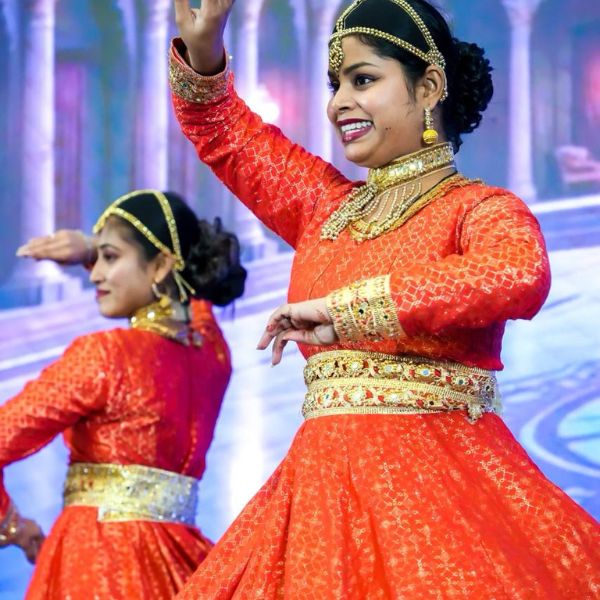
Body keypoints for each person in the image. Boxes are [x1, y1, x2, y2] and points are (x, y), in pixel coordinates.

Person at [169, 0, 600, 597]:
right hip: (318, 507)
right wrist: (205, 52)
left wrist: (349, 310)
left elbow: (517, 273)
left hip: (444, 502)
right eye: (335, 85)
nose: (337, 103)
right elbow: (226, 133)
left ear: (428, 88)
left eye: (363, 80)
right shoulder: (325, 208)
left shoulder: (479, 209)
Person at [0, 190, 246, 599]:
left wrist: (13, 527)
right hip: (180, 565)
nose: (94, 274)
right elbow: (194, 301)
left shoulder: (106, 356)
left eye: (110, 258)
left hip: (97, 563)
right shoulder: (214, 355)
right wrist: (102, 247)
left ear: (162, 265)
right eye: (96, 260)